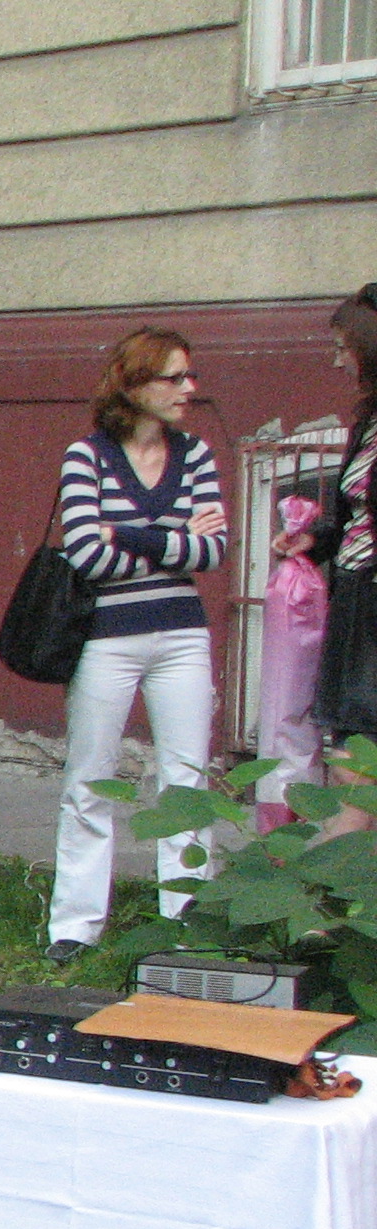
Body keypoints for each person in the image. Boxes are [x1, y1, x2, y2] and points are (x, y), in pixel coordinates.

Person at [40, 329, 227, 962]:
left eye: (190, 376)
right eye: (174, 378)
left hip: (183, 637)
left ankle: (185, 919)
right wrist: (174, 539)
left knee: (187, 778)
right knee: (89, 778)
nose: (188, 389)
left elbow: (213, 552)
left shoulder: (195, 455)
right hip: (106, 640)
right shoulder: (86, 456)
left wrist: (128, 535)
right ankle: (74, 926)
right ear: (135, 384)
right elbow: (86, 557)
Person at [301, 287, 377, 839]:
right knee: (356, 748)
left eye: (342, 348)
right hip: (356, 596)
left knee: (357, 757)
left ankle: (331, 881)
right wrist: (314, 540)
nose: (337, 361)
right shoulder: (368, 421)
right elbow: (352, 513)